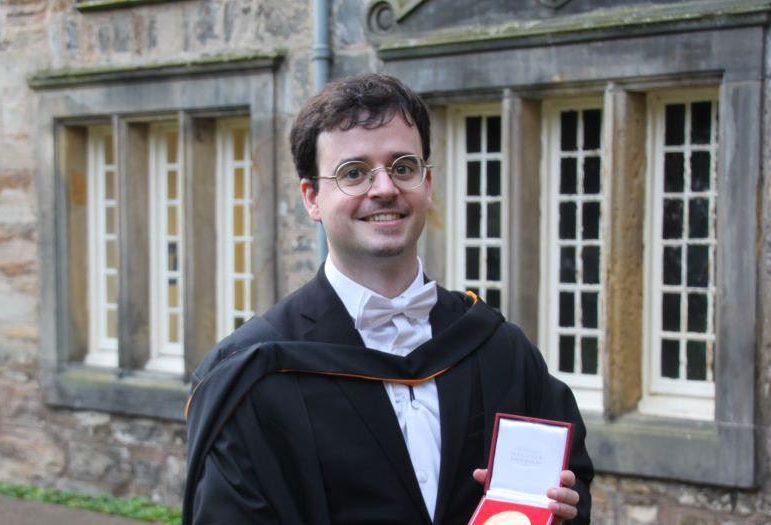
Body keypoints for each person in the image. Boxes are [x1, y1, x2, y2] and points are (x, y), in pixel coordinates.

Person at [184, 73, 593, 524]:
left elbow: (570, 479)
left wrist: (564, 510)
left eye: (402, 167)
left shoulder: (497, 348)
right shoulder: (253, 373)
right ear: (312, 198)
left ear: (427, 183)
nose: (384, 188)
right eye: (354, 173)